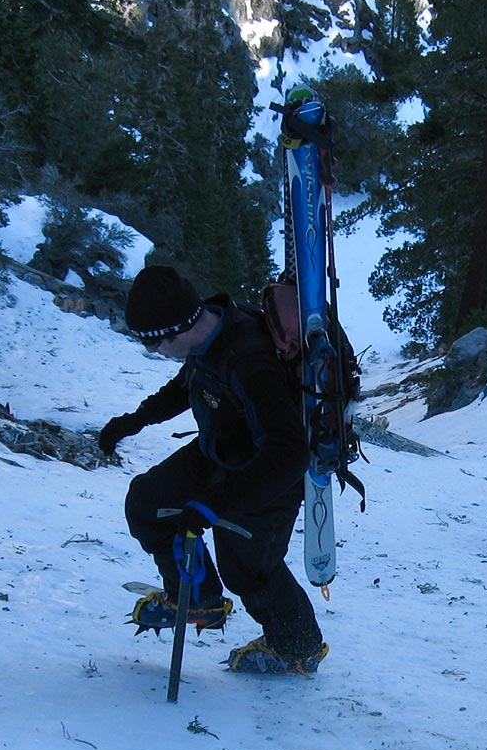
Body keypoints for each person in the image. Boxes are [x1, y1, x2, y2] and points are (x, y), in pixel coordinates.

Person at [96, 265, 328, 675]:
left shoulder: (249, 359)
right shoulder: (211, 333)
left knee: (250, 572)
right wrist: (135, 420)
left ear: (174, 331)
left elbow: (289, 452)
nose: (154, 353)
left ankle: (298, 647)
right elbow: (190, 383)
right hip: (219, 451)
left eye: (153, 344)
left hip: (266, 475)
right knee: (147, 502)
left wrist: (213, 505)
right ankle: (197, 598)